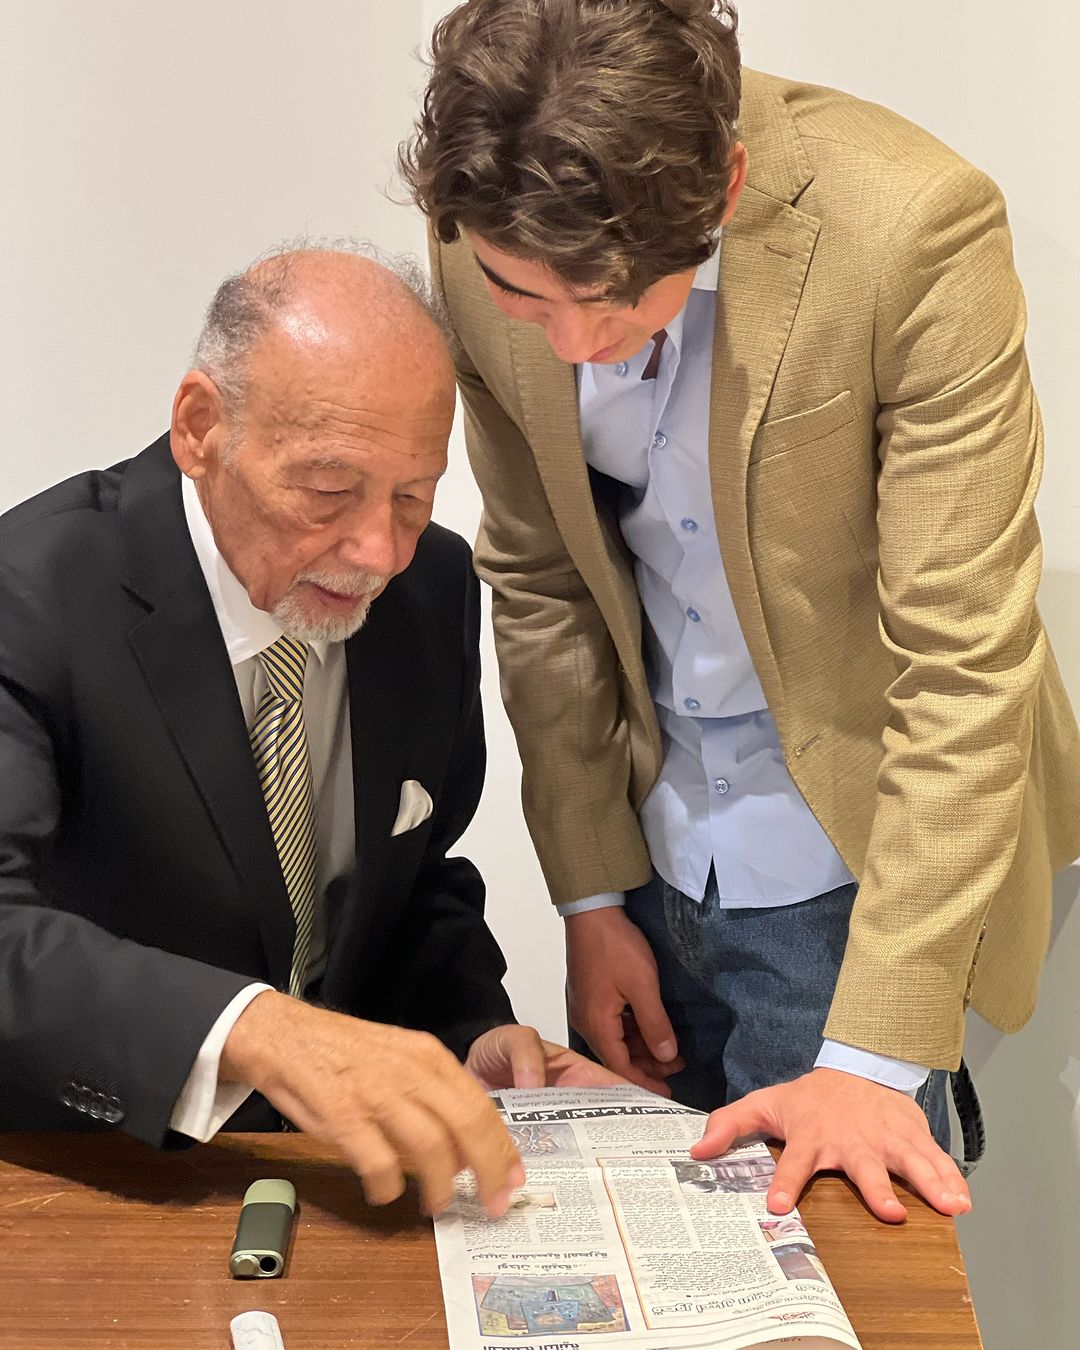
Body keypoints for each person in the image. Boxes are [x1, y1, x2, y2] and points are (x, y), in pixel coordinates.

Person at [402, 0, 1080, 1221]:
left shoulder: (912, 231)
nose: (572, 345)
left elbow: (966, 666)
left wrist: (873, 1055)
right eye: (523, 297)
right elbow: (542, 580)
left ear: (724, 189)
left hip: (858, 860)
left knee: (845, 1280)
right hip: (648, 841)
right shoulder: (477, 233)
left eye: (616, 299)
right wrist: (590, 898)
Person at [0, 243, 621, 1219]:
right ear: (200, 428)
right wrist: (260, 1031)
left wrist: (469, 1036)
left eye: (413, 495)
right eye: (328, 491)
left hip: (341, 1190)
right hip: (90, 1180)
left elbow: (410, 882)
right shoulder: (30, 595)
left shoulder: (432, 588)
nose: (377, 552)